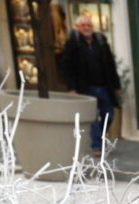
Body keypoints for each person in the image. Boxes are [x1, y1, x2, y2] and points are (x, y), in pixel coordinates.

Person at [59, 13, 120, 157]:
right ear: (78, 27)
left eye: (89, 25)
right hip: (85, 87)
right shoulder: (73, 43)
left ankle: (100, 138)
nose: (87, 28)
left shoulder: (101, 41)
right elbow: (66, 67)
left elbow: (110, 64)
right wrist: (71, 87)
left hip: (103, 86)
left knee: (109, 114)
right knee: (93, 117)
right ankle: (97, 146)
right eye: (83, 25)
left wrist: (116, 85)